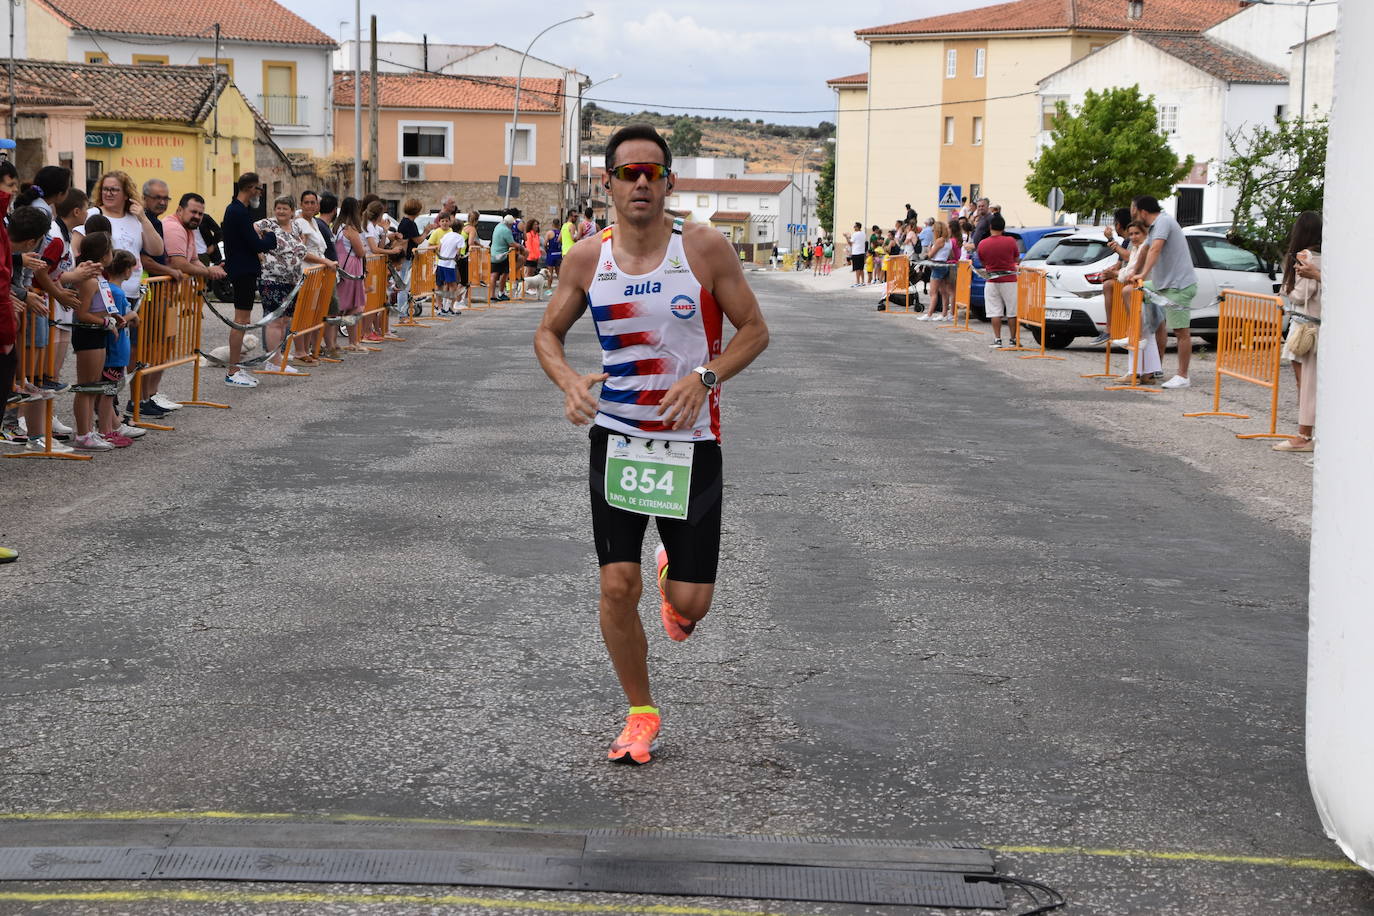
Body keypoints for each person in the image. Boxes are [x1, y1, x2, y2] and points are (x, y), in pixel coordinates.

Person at [533, 124, 770, 766]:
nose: (641, 181)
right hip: (619, 439)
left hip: (692, 443)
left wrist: (706, 376)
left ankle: (675, 574)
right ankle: (640, 712)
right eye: (628, 171)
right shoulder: (587, 258)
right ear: (606, 182)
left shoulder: (704, 249)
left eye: (653, 172)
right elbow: (547, 336)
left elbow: (754, 329)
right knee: (616, 585)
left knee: (690, 605)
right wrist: (568, 384)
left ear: (668, 182)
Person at [71, 171, 166, 411]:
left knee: (126, 354)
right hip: (101, 296)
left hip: (130, 292)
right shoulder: (94, 214)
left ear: (127, 194)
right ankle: (106, 411)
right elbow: (76, 248)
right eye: (105, 188)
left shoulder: (135, 218)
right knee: (107, 357)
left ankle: (126, 406)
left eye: (114, 189)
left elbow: (156, 248)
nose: (108, 193)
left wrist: (143, 218)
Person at [1130, 195, 1198, 389]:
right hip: (1162, 285)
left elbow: (1155, 249)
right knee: (1132, 291)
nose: (1133, 214)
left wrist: (1142, 273)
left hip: (1179, 286)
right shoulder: (1155, 226)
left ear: (1143, 212)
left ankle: (1183, 376)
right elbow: (1145, 250)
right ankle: (1142, 333)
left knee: (1181, 332)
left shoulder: (1164, 222)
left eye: (1134, 210)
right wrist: (1133, 273)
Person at [221, 173, 276, 388]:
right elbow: (257, 244)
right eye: (259, 189)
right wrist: (270, 236)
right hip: (242, 270)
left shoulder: (238, 210)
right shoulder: (238, 211)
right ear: (251, 188)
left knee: (242, 321)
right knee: (240, 321)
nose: (259, 194)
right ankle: (233, 370)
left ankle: (236, 368)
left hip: (244, 269)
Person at [1274, 211, 1322, 453]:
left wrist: (1284, 289)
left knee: (1305, 382)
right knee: (1310, 383)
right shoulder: (1325, 256)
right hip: (1316, 324)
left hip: (1305, 326)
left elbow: (1301, 294)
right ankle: (1309, 432)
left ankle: (1304, 435)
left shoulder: (1305, 256)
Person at [1114, 219, 1164, 384]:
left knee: (1138, 332)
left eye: (1137, 233)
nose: (1133, 237)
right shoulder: (1136, 249)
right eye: (1131, 234)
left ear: (1146, 234)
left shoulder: (1144, 249)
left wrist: (1120, 275)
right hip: (1144, 296)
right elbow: (1128, 272)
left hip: (1145, 296)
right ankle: (1147, 373)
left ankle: (1134, 372)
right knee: (1145, 334)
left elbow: (1130, 273)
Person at [977, 214, 1020, 348]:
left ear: (990, 227)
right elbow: (1016, 259)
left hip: (992, 280)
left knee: (995, 311)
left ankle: (997, 339)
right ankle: (1013, 340)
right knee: (1012, 311)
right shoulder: (1011, 241)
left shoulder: (983, 243)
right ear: (1003, 227)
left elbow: (982, 261)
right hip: (1010, 280)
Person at [332, 197, 368, 351]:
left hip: (340, 268)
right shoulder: (351, 230)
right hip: (352, 269)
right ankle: (353, 342)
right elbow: (360, 252)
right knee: (353, 306)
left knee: (338, 307)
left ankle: (332, 342)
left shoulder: (337, 227)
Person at [920, 220, 952, 320]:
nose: (933, 231)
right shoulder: (948, 240)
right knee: (943, 292)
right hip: (944, 265)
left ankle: (929, 314)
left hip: (937, 265)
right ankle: (944, 314)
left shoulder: (939, 241)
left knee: (933, 292)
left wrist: (929, 250)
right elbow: (951, 255)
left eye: (934, 230)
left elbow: (931, 255)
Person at [490, 213, 521, 302]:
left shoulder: (498, 226)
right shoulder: (506, 230)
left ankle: (492, 295)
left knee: (494, 274)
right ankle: (501, 293)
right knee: (505, 274)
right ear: (510, 224)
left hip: (494, 254)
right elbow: (511, 243)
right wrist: (520, 246)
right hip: (503, 255)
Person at [844, 221, 866, 287]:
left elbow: (850, 243)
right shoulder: (863, 233)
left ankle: (857, 282)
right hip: (862, 252)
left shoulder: (855, 234)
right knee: (861, 268)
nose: (854, 227)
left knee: (857, 269)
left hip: (856, 253)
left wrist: (846, 237)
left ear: (857, 227)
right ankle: (862, 282)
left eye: (855, 226)